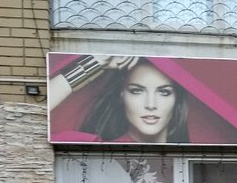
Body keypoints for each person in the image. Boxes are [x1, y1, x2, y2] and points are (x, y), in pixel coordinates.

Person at [49, 55, 190, 143]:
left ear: (177, 99)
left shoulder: (193, 152)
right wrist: (94, 62)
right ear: (121, 96)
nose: (151, 104)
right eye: (136, 91)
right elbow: (40, 111)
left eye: (164, 92)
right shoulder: (99, 149)